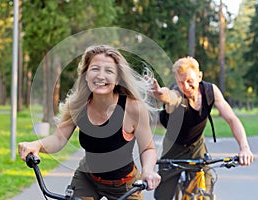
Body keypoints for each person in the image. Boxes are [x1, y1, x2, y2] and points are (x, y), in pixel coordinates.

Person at [18, 44, 161, 200]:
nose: (100, 76)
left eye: (109, 71)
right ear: (85, 74)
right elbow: (58, 139)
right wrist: (36, 145)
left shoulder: (133, 108)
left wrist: (148, 170)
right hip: (88, 179)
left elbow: (147, 148)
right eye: (95, 69)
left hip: (124, 184)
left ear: (117, 78)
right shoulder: (78, 105)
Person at [146, 56, 254, 200]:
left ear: (199, 76)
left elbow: (232, 119)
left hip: (197, 145)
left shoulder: (211, 91)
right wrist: (158, 93)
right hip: (173, 146)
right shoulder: (177, 93)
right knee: (163, 195)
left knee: (206, 189)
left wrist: (244, 147)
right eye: (181, 82)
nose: (186, 87)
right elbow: (168, 95)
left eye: (190, 81)